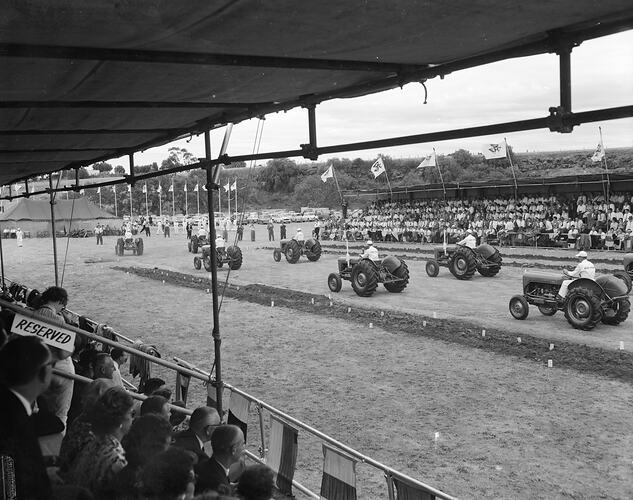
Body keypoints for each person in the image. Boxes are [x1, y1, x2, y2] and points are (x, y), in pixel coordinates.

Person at [0, 336, 54, 500]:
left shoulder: (10, 405)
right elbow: (10, 491)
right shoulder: (15, 424)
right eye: (52, 365)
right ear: (44, 373)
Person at [65, 387, 135, 498]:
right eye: (131, 414)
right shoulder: (116, 459)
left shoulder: (91, 444)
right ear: (121, 421)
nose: (132, 419)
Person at [35, 286, 76, 429]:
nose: (62, 309)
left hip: (37, 368)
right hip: (59, 368)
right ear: (59, 302)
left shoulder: (31, 314)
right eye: (63, 306)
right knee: (61, 413)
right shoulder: (57, 318)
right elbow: (65, 350)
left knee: (42, 408)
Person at [113, 414, 173, 499]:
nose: (168, 452)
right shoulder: (141, 483)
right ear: (154, 448)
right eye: (167, 446)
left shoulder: (126, 469)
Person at [195, 425, 246, 494]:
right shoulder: (219, 486)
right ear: (233, 449)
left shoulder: (203, 466)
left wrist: (230, 487)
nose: (244, 448)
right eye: (243, 444)